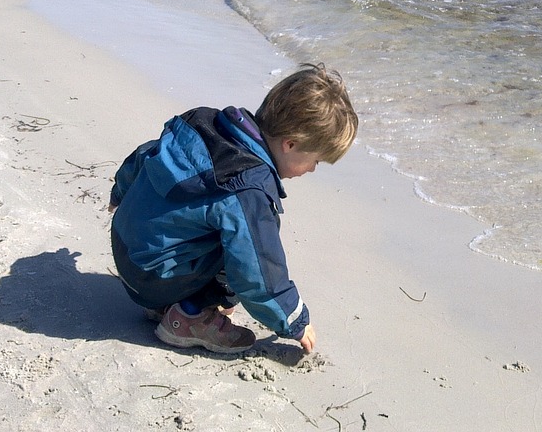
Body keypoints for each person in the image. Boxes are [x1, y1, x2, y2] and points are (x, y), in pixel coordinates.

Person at [109, 64, 357, 356]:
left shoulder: (205, 123)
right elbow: (259, 269)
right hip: (152, 278)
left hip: (127, 249)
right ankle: (189, 315)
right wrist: (294, 319)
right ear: (290, 144)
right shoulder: (248, 186)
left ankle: (166, 302)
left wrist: (120, 191)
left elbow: (146, 154)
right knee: (249, 238)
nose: (313, 169)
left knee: (218, 221)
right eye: (315, 161)